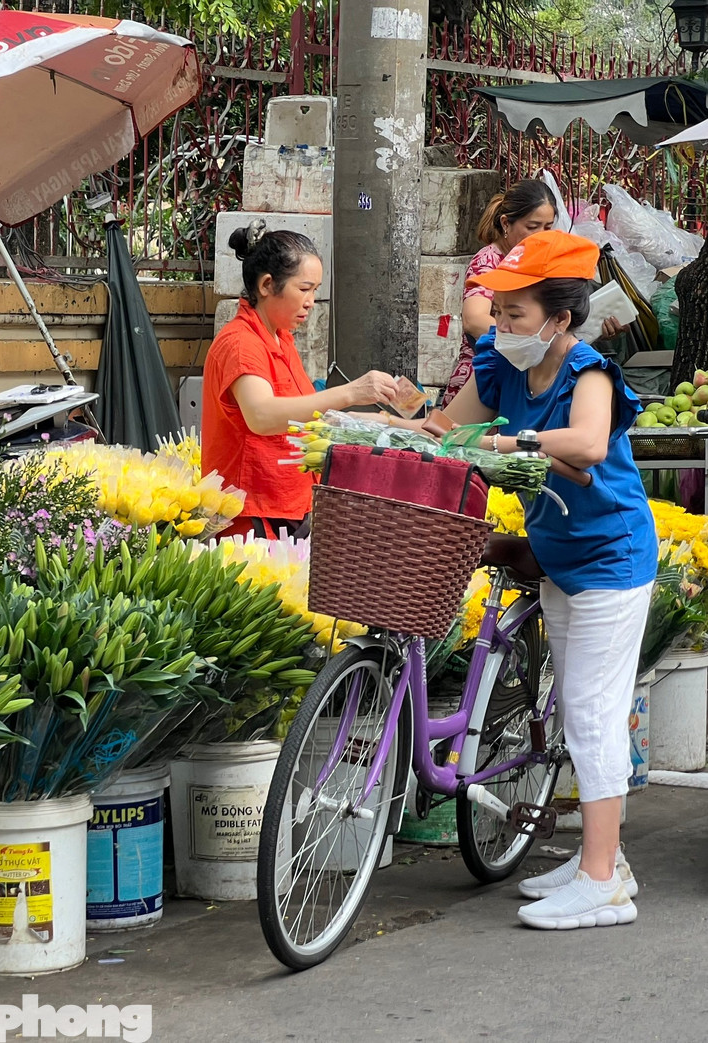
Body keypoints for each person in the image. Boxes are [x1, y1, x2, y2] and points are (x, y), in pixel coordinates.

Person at [440, 229, 656, 930]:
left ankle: (603, 884)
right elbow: (447, 425)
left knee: (593, 715)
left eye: (517, 314)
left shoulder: (588, 372)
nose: (502, 325)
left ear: (560, 318)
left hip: (611, 561)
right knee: (575, 714)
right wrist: (382, 425)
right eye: (498, 312)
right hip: (557, 559)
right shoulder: (503, 366)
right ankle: (605, 859)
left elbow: (589, 444)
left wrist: (504, 442)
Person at [201, 221, 398, 540]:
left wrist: (389, 424)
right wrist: (349, 392)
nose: (311, 301)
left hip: (288, 505)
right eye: (304, 289)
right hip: (252, 514)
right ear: (267, 285)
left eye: (315, 291)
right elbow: (262, 416)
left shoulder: (280, 338)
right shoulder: (241, 343)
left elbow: (309, 415)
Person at [438, 180, 559, 408]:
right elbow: (474, 320)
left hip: (521, 378)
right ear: (506, 223)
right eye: (532, 227)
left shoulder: (538, 263)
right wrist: (528, 341)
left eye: (548, 227)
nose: (541, 236)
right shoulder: (489, 261)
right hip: (483, 379)